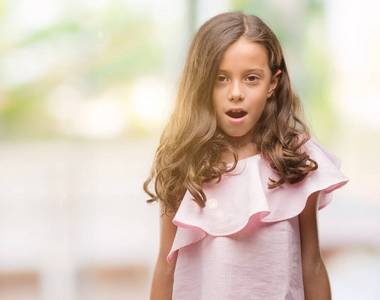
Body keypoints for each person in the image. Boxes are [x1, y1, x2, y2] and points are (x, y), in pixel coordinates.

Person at [144, 12, 348, 300]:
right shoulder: (184, 160)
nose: (236, 92)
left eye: (251, 78)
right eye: (221, 79)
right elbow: (166, 267)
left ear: (273, 83)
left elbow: (312, 266)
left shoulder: (295, 158)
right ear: (201, 83)